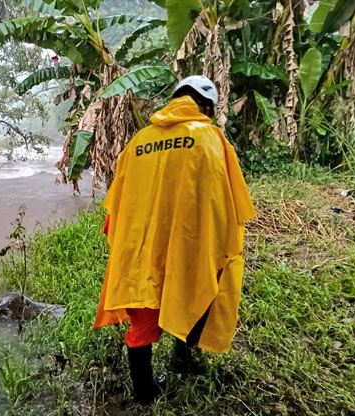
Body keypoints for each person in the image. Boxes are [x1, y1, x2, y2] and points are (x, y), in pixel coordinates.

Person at [91, 76, 255, 404]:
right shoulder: (211, 139)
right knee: (196, 298)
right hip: (189, 248)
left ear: (176, 99)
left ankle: (144, 394)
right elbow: (229, 208)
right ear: (205, 106)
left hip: (139, 253)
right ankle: (183, 358)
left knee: (141, 324)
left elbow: (115, 210)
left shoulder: (139, 141)